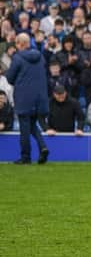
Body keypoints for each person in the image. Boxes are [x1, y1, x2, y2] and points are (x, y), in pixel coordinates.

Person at [5, 33, 49, 164]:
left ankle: (26, 157)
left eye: (16, 44)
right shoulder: (40, 56)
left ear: (20, 44)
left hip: (24, 98)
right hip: (40, 98)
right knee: (32, 125)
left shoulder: (17, 58)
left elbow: (9, 78)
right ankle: (43, 147)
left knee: (24, 128)